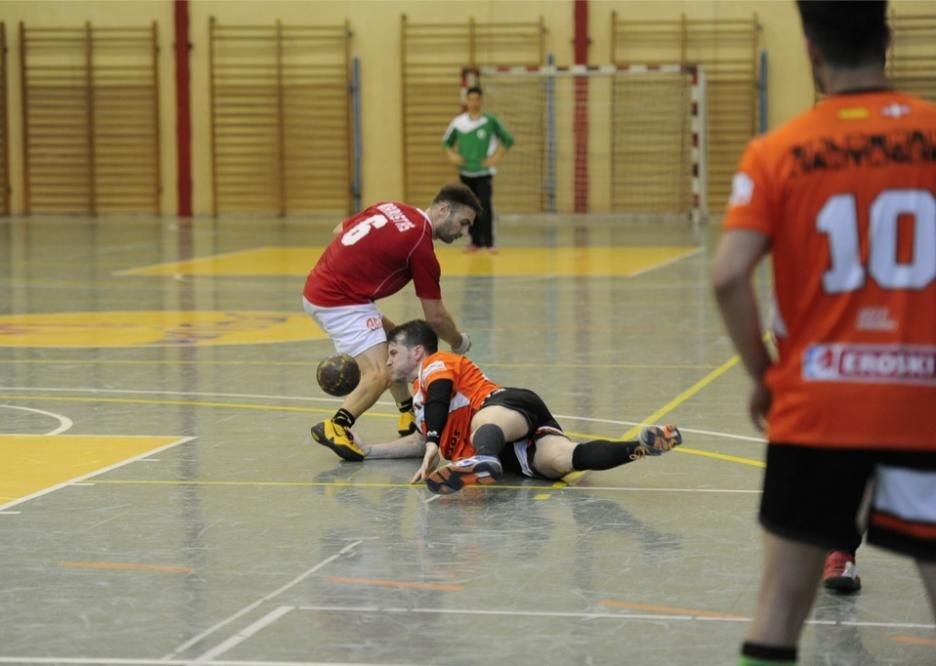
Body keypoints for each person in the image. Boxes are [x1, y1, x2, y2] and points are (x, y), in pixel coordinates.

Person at [711, 2, 936, 664]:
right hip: (922, 404)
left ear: (811, 51)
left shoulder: (779, 151)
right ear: (889, 40)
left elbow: (729, 276)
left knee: (779, 612)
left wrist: (762, 375)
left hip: (817, 404)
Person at [313, 319, 683, 493]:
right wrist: (368, 452)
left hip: (506, 409)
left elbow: (441, 397)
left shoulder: (435, 367)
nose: (388, 362)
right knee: (564, 459)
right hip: (514, 453)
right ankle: (642, 447)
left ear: (418, 351)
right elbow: (419, 439)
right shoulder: (424, 404)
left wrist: (432, 444)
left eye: (393, 353)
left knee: (484, 421)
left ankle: (483, 459)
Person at [303, 184, 480, 457]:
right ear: (444, 209)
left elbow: (339, 230)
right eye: (463, 223)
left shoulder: (392, 208)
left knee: (395, 339)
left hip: (325, 286)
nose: (464, 232)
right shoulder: (421, 247)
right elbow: (435, 317)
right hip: (340, 302)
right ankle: (338, 425)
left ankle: (406, 414)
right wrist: (458, 342)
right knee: (380, 373)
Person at [442, 86, 514, 253]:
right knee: (468, 207)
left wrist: (496, 157)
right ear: (466, 101)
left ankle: (489, 242)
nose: (474, 103)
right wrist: (453, 156)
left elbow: (508, 140)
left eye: (477, 100)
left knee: (485, 206)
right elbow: (446, 143)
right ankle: (474, 241)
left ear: (481, 101)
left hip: (483, 172)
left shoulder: (490, 121)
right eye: (471, 99)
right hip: (465, 172)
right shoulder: (459, 123)